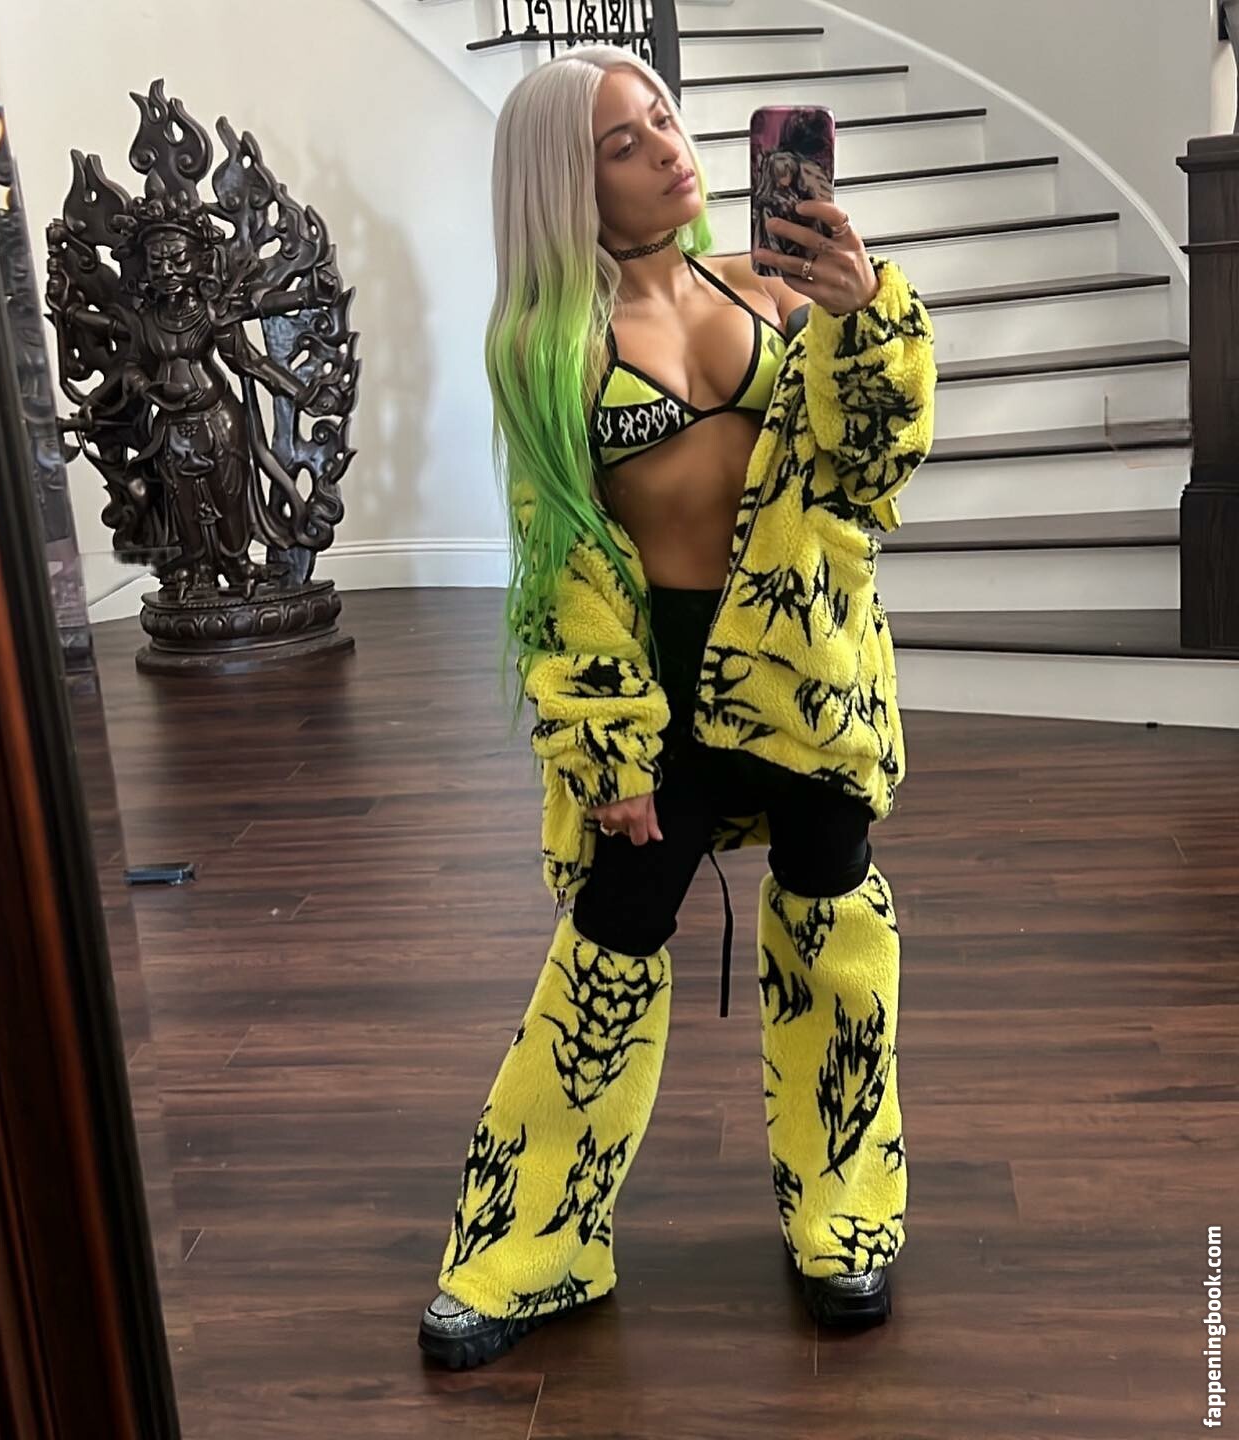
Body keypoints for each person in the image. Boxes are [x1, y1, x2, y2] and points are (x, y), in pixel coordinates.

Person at [417, 46, 936, 1371]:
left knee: (833, 922)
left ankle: (844, 1219)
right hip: (661, 689)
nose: (668, 150)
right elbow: (560, 561)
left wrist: (865, 313)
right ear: (565, 183)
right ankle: (529, 1245)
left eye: (664, 119)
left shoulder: (776, 283)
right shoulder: (546, 345)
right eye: (623, 143)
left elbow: (872, 473)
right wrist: (605, 748)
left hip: (804, 664)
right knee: (610, 942)